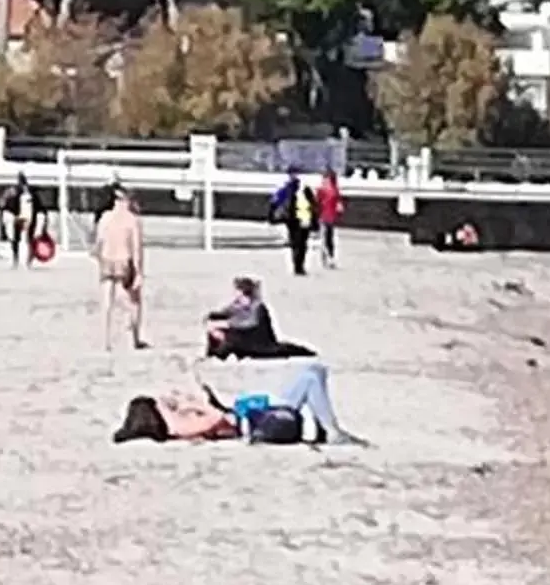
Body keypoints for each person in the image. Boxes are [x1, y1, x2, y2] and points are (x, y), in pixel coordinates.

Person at [113, 361, 365, 448]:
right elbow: (214, 421)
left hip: (253, 414)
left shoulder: (174, 418)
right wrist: (198, 402)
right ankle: (332, 432)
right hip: (257, 422)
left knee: (314, 371)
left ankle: (331, 427)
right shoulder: (174, 425)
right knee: (310, 377)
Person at [203, 274, 311, 361]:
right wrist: (212, 320)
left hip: (259, 344)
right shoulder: (237, 305)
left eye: (240, 296)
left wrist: (227, 324)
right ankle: (213, 357)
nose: (237, 299)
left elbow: (249, 323)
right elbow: (223, 313)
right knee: (219, 333)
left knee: (231, 338)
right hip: (244, 342)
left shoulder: (258, 307)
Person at [93, 184, 146, 351]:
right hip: (124, 260)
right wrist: (138, 271)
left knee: (107, 302)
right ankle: (135, 338)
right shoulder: (132, 220)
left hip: (107, 260)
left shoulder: (105, 218)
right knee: (133, 302)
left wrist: (98, 256)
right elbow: (136, 248)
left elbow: (98, 243)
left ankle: (105, 340)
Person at [315, 165, 343, 267]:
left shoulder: (329, 190)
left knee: (328, 238)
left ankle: (328, 257)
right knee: (326, 238)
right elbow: (317, 203)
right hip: (325, 216)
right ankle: (327, 258)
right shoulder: (325, 190)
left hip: (328, 216)